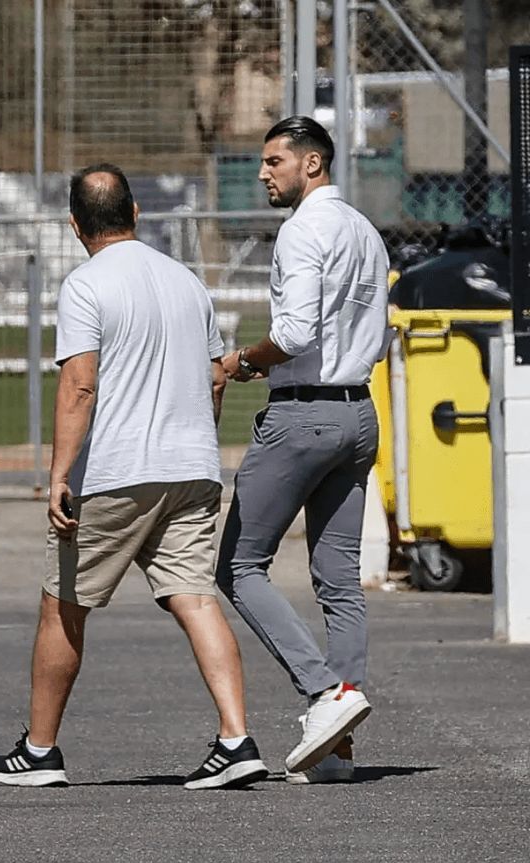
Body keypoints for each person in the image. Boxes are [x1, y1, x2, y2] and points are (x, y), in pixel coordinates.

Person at [0, 164, 267, 790]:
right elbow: (215, 376)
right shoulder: (188, 282)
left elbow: (80, 383)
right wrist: (199, 439)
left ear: (74, 225)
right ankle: (236, 736)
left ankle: (39, 750)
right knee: (195, 597)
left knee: (63, 605)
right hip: (193, 469)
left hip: (116, 473)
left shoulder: (86, 285)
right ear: (137, 214)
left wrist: (59, 472)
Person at [216, 116, 390, 784]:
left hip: (304, 415)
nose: (263, 173)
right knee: (338, 579)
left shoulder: (302, 230)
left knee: (237, 564)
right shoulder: (364, 231)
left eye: (273, 162)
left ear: (311, 164)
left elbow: (291, 332)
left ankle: (325, 695)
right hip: (359, 412)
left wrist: (243, 361)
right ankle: (337, 753)